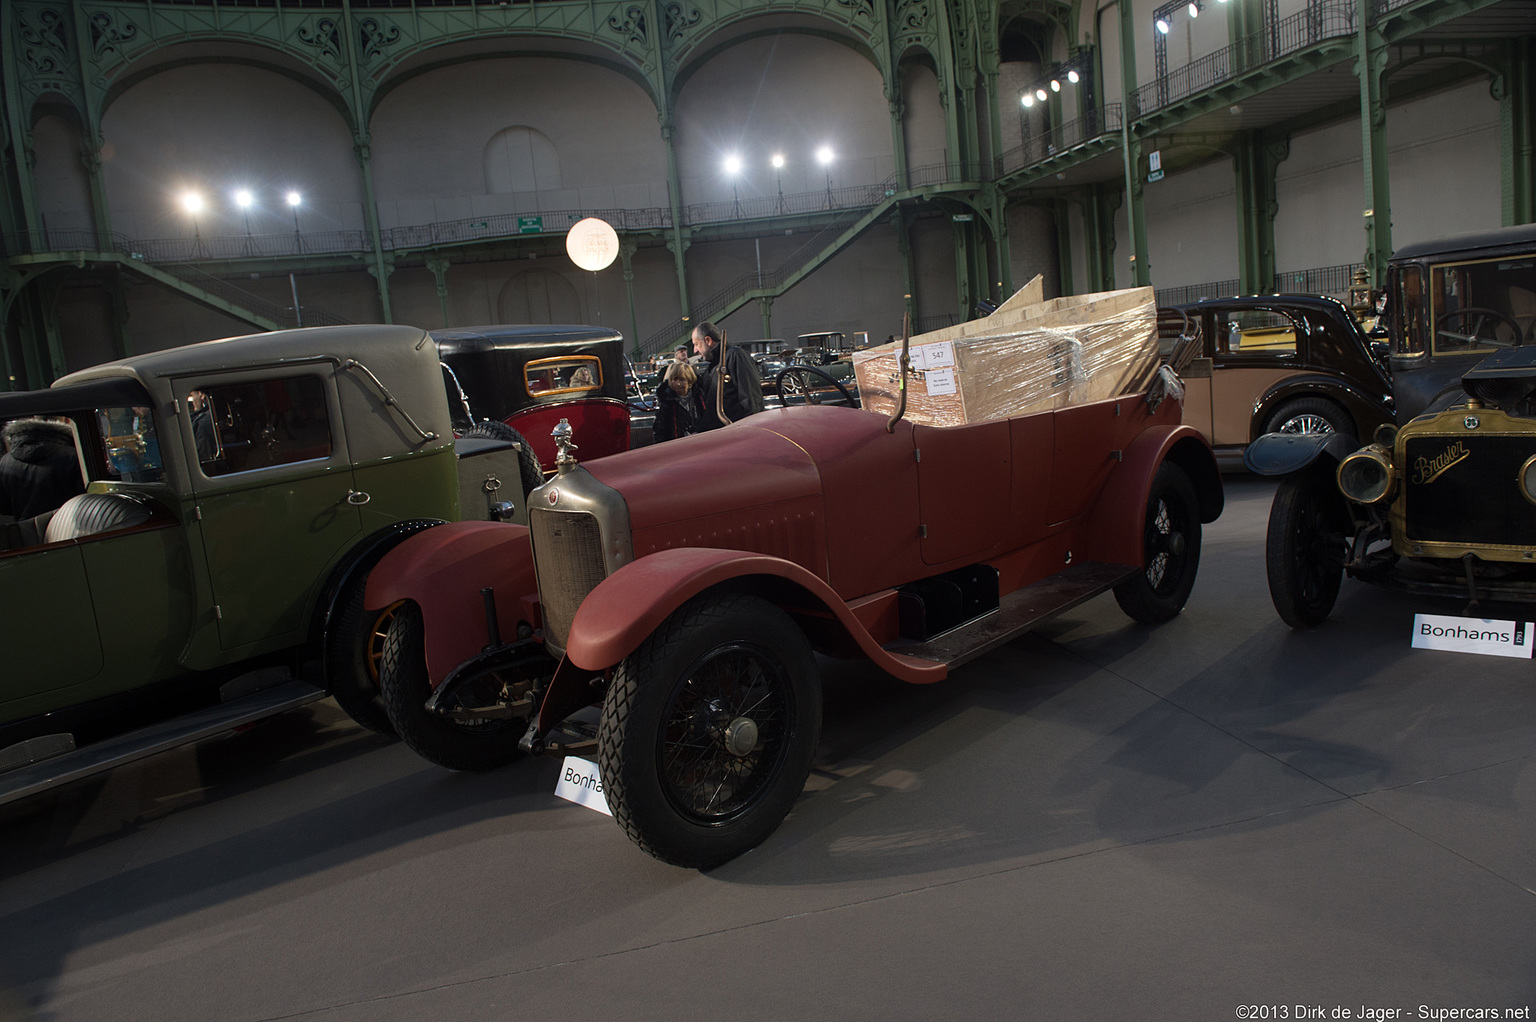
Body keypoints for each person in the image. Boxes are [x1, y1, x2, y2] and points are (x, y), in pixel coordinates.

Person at [0, 417, 86, 520]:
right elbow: (85, 500)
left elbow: (5, 507)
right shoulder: (74, 456)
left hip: (28, 531)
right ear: (65, 420)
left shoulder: (5, 461)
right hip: (69, 527)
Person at [691, 321, 764, 429]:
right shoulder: (712, 367)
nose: (695, 350)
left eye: (696, 344)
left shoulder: (736, 356)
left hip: (738, 433)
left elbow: (751, 399)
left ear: (708, 340)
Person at [652, 361, 707, 442]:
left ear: (689, 381)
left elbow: (707, 419)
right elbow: (660, 431)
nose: (677, 384)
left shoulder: (700, 397)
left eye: (682, 380)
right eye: (674, 379)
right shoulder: (666, 401)